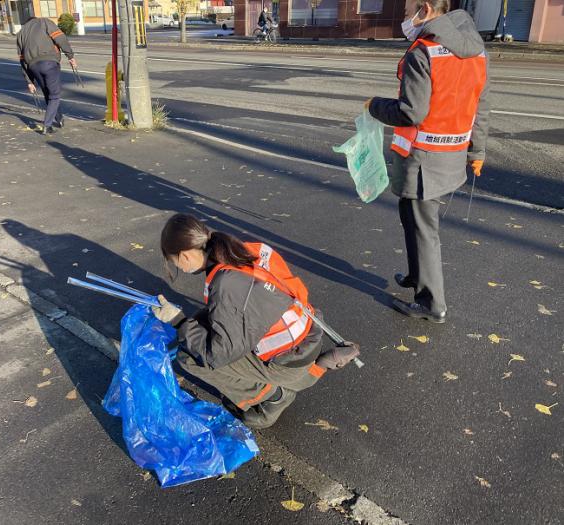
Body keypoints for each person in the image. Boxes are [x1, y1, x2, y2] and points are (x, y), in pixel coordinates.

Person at [151, 214, 359, 429]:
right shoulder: (240, 251)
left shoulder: (226, 284)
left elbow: (217, 355)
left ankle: (274, 397)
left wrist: (178, 321)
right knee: (198, 324)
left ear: (184, 256)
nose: (179, 268)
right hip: (308, 334)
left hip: (288, 360)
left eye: (174, 262)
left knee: (189, 356)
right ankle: (314, 368)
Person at [366, 1, 489, 323]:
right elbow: (481, 105)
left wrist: (374, 106)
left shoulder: (423, 51)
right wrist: (477, 152)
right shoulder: (477, 50)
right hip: (452, 155)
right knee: (413, 218)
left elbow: (411, 112)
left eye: (408, 13)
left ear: (426, 9)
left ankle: (431, 304)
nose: (406, 19)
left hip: (422, 162)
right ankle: (416, 275)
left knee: (423, 230)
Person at [16, 17, 77, 135]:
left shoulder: (21, 33)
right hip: (49, 62)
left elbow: (22, 59)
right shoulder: (44, 22)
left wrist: (29, 81)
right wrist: (70, 56)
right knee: (54, 95)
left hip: (33, 66)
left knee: (49, 94)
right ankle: (47, 125)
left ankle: (59, 119)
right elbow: (60, 38)